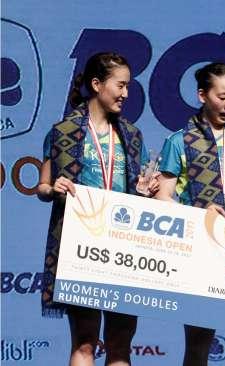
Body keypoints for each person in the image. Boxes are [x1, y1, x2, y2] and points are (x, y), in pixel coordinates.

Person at [37, 52, 155, 366]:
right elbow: (42, 187)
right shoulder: (62, 132)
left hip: (124, 246)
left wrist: (144, 191)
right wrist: (53, 189)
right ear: (97, 84)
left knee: (120, 346)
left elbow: (141, 189)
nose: (126, 94)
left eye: (128, 86)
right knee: (85, 343)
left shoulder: (131, 135)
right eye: (121, 85)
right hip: (81, 246)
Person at [155, 62, 225, 366]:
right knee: (198, 341)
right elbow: (163, 198)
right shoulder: (178, 142)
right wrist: (197, 214)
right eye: (221, 97)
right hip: (200, 249)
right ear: (202, 95)